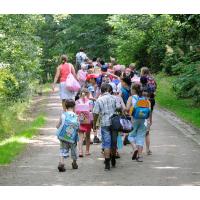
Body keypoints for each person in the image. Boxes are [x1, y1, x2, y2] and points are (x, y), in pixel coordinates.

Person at [93, 83, 121, 170]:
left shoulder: (99, 100)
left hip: (104, 123)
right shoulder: (115, 98)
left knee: (106, 143)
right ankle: (113, 160)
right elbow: (119, 108)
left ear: (101, 91)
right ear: (110, 90)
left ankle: (107, 164)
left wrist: (95, 124)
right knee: (114, 142)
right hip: (114, 123)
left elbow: (95, 113)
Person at [126, 83, 151, 162]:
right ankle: (139, 156)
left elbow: (127, 109)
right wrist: (149, 121)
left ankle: (134, 147)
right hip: (143, 120)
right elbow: (149, 110)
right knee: (140, 137)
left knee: (130, 135)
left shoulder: (131, 98)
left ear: (133, 90)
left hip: (134, 119)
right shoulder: (145, 98)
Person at [56, 99, 79, 172]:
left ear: (65, 107)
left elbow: (58, 125)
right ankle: (74, 163)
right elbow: (78, 127)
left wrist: (57, 127)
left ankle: (61, 163)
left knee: (62, 149)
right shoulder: (76, 116)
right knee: (74, 150)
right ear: (74, 107)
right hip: (72, 138)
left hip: (63, 136)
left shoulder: (63, 115)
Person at [75, 88, 93, 157]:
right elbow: (91, 110)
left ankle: (80, 151)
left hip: (80, 120)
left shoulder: (77, 102)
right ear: (88, 94)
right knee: (88, 137)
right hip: (88, 121)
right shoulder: (90, 102)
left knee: (80, 137)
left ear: (80, 94)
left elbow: (75, 111)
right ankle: (87, 151)